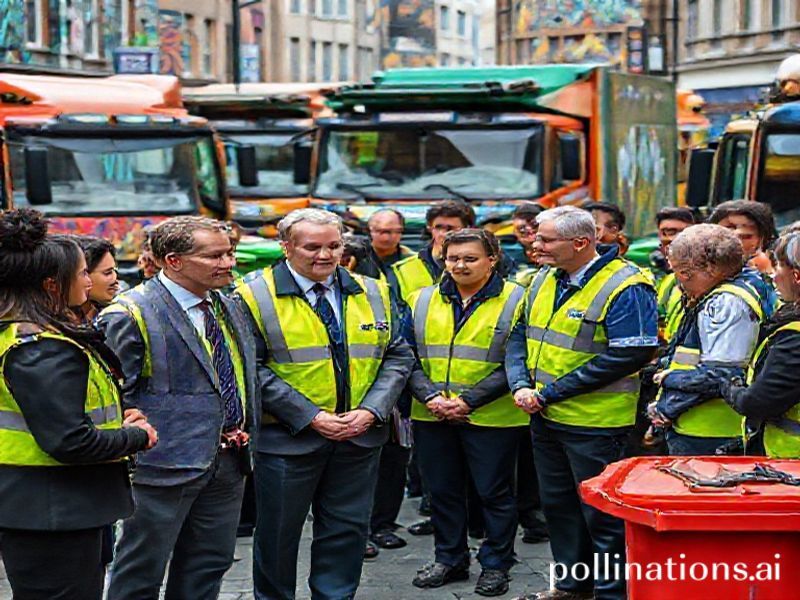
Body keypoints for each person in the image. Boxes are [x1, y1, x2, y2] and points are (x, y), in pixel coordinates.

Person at [235, 208, 414, 600]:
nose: (325, 255)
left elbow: (397, 355)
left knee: (347, 531)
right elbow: (250, 368)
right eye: (312, 247)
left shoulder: (374, 290)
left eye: (334, 245)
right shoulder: (252, 295)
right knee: (278, 535)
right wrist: (311, 416)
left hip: (358, 437)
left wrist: (371, 410)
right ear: (286, 247)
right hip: (288, 439)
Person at [0, 209, 156, 600]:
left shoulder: (27, 336)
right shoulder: (43, 349)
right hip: (53, 513)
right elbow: (69, 441)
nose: (90, 281)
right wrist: (135, 436)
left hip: (50, 508)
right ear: (52, 285)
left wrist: (116, 421)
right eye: (84, 272)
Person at [100, 216, 259, 600]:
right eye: (215, 256)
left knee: (209, 563)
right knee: (141, 569)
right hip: (160, 468)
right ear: (173, 261)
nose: (228, 263)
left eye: (229, 253)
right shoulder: (129, 313)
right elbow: (114, 397)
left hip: (227, 461)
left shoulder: (226, 304)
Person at [506, 206, 658, 600]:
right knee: (559, 508)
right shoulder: (544, 277)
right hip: (546, 416)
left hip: (596, 424)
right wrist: (521, 384)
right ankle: (572, 586)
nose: (535, 245)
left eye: (545, 239)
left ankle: (611, 593)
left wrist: (548, 393)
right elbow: (519, 334)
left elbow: (629, 354)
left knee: (603, 516)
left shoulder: (627, 285)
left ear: (581, 242)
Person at [407, 229, 527, 596]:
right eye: (452, 258)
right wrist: (430, 397)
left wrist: (468, 401)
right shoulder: (421, 299)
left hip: (494, 417)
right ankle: (450, 558)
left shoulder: (518, 300)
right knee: (442, 492)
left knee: (494, 493)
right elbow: (404, 355)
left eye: (470, 258)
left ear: (492, 259)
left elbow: (519, 361)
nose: (460, 265)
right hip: (431, 414)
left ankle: (496, 564)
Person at [650, 224, 763, 456]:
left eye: (682, 272)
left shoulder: (726, 303)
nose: (680, 281)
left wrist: (668, 401)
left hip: (711, 433)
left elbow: (723, 375)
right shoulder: (740, 287)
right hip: (703, 427)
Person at [723, 232, 800, 458]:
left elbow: (757, 402)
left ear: (796, 276)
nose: (773, 275)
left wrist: (729, 387)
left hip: (789, 464)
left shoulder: (795, 338)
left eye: (779, 266)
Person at [392, 200, 477, 304]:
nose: (443, 234)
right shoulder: (403, 269)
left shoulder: (483, 267)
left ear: (468, 230)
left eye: (450, 229)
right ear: (429, 228)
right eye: (438, 227)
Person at [708, 200, 779, 313]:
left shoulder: (777, 283)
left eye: (746, 236)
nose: (734, 241)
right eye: (726, 234)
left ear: (762, 240)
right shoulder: (692, 273)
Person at [652, 207, 696, 342]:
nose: (672, 238)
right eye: (665, 232)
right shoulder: (668, 280)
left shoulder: (707, 279)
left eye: (680, 232)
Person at [74, 236, 120, 322]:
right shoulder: (56, 321)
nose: (115, 279)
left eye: (115, 271)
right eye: (107, 273)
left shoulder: (114, 316)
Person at [510, 202, 544, 286]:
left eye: (535, 226)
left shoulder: (559, 254)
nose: (530, 231)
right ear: (514, 232)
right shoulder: (507, 253)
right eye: (522, 229)